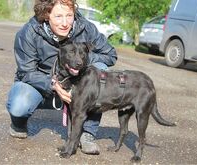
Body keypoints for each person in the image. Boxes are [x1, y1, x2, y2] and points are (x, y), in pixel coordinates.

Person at [6, 0, 117, 155]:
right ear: (46, 15)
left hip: (78, 82)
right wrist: (53, 84)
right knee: (20, 103)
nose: (65, 23)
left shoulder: (86, 28)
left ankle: (87, 133)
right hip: (43, 84)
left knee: (100, 69)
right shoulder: (28, 33)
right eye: (58, 16)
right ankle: (19, 123)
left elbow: (110, 55)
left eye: (69, 15)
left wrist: (81, 60)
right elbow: (27, 72)